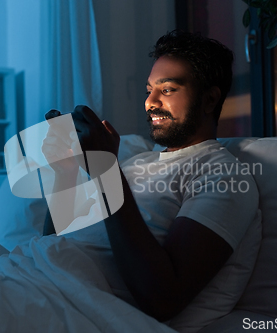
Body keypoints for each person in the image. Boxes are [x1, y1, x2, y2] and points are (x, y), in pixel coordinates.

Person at [47, 30, 259, 322]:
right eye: (149, 90)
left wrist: (105, 171)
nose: (150, 102)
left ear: (209, 100)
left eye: (167, 89)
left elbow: (162, 299)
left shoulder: (223, 174)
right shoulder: (137, 163)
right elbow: (48, 243)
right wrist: (66, 170)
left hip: (62, 307)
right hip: (30, 278)